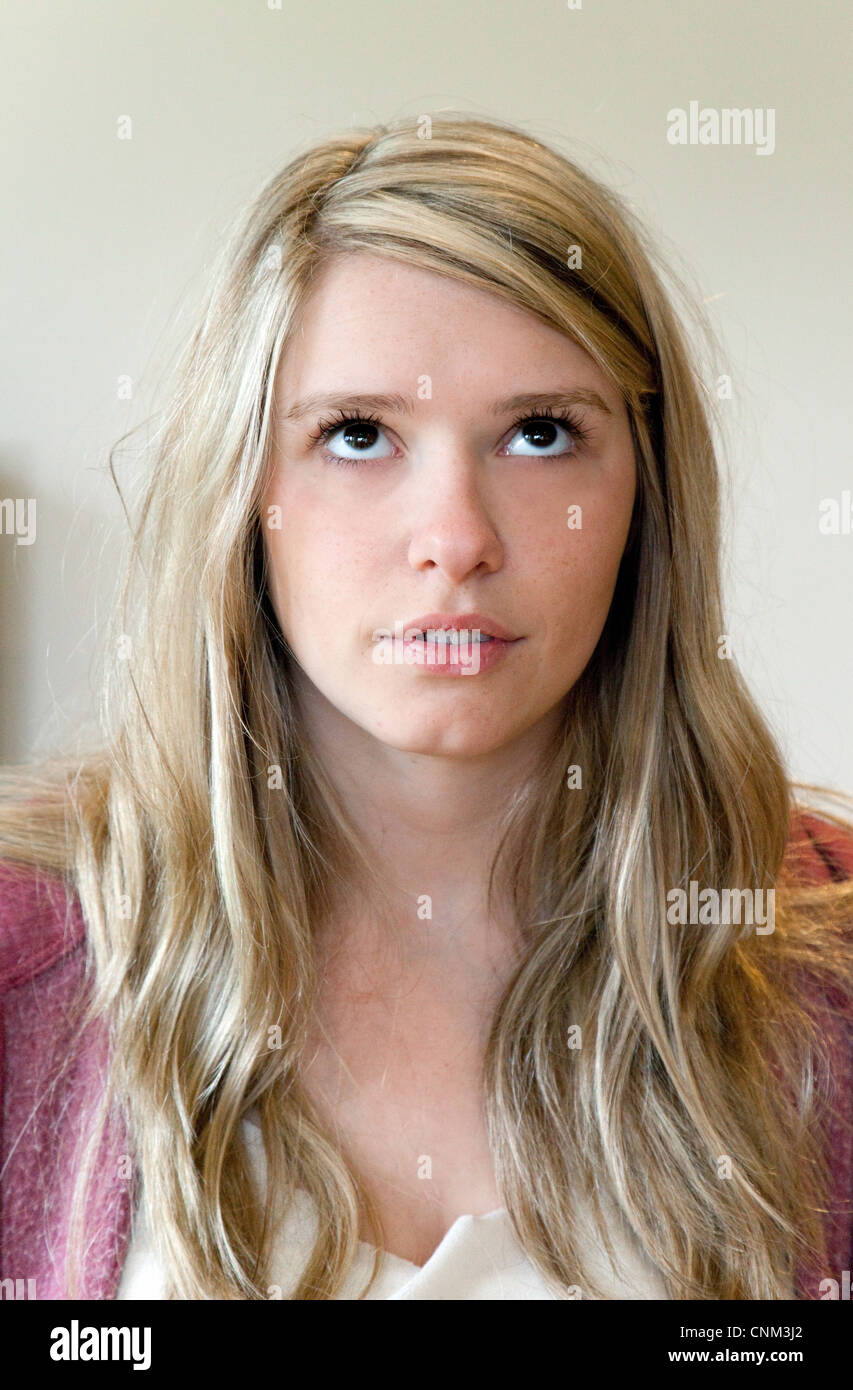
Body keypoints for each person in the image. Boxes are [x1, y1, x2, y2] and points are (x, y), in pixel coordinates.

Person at [1, 111, 852, 1301]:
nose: (455, 538)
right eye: (357, 435)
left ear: (645, 497)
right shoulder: (23, 954)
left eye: (541, 433)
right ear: (243, 488)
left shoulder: (823, 948)